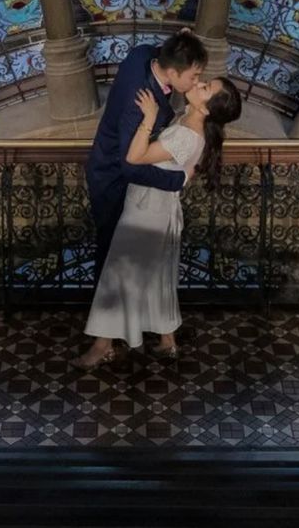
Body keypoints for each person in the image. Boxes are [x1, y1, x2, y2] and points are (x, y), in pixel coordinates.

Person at [74, 75, 242, 368]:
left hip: (147, 213)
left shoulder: (187, 135)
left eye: (205, 88)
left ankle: (103, 346)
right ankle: (167, 341)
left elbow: (136, 157)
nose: (199, 82)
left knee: (118, 276)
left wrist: (148, 118)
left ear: (206, 109)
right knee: (157, 276)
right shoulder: (190, 123)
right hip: (158, 209)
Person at [82, 32, 207, 275]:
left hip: (107, 160)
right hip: (113, 179)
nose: (195, 82)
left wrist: (181, 42)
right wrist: (178, 180)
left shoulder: (142, 54)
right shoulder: (139, 104)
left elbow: (157, 49)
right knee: (111, 257)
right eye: (194, 76)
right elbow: (130, 165)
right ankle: (106, 309)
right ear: (172, 73)